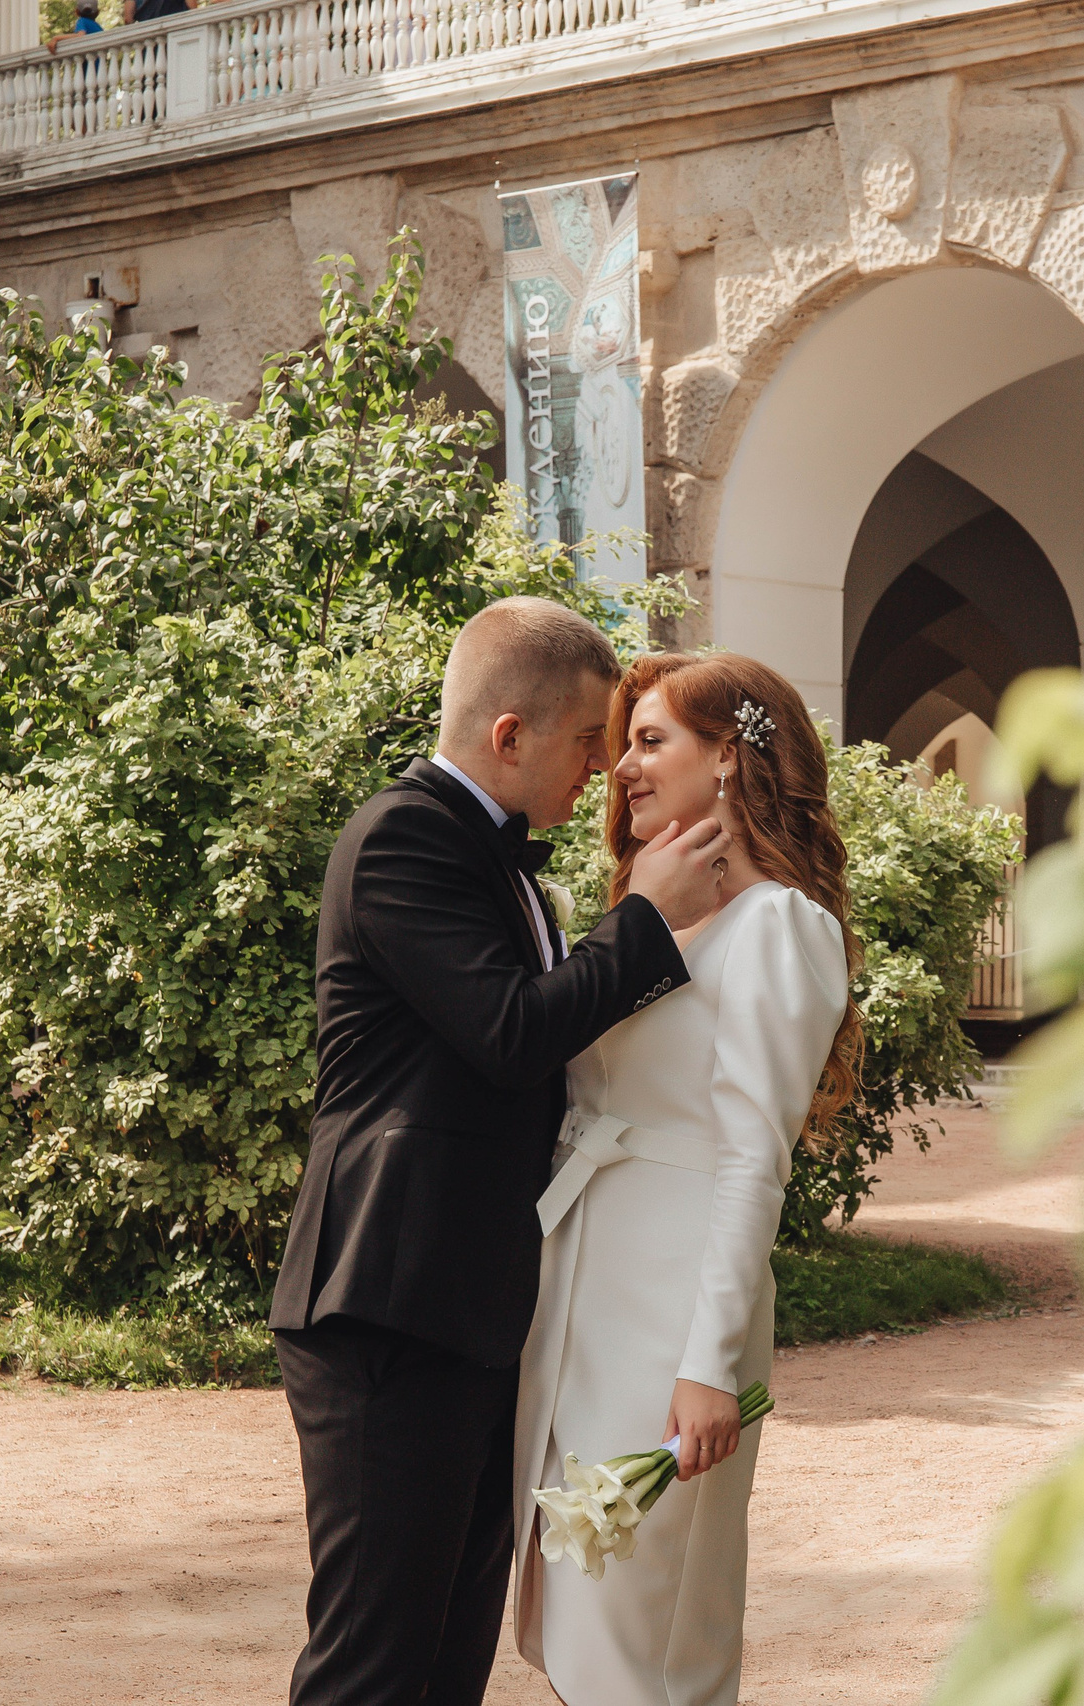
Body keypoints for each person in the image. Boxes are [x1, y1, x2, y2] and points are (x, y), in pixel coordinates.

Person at [268, 597, 733, 1706]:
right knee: (374, 1663)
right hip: (387, 1303)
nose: (604, 767)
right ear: (509, 734)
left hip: (470, 1311)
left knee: (447, 1661)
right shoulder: (403, 837)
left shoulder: (501, 860)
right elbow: (512, 1033)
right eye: (587, 740)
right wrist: (645, 919)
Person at [513, 652, 860, 1706]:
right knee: (571, 1612)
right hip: (578, 1292)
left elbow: (755, 1157)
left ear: (727, 757)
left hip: (671, 1316)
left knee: (645, 1628)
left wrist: (708, 1363)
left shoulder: (779, 926)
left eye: (649, 739)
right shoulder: (651, 915)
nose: (620, 766)